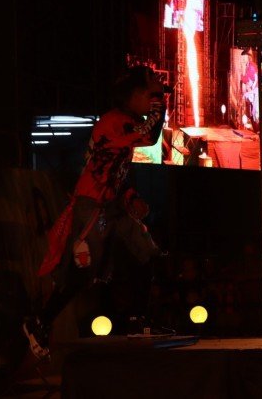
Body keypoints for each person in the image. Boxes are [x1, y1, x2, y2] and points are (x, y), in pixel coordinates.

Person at [23, 65, 169, 359]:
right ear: (137, 95)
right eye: (150, 92)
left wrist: (131, 196)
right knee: (82, 273)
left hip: (112, 204)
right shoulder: (113, 122)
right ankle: (39, 321)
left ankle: (138, 322)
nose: (156, 96)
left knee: (147, 254)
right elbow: (151, 136)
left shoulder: (124, 123)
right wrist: (160, 101)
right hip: (92, 205)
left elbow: (117, 170)